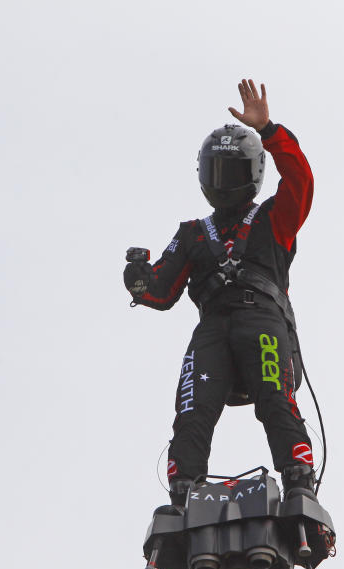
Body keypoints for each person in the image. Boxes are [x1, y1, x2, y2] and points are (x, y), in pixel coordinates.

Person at [124, 79, 316, 507]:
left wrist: (269, 131)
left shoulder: (272, 219)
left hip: (262, 319)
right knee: (192, 413)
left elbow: (300, 180)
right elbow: (159, 290)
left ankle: (299, 480)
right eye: (216, 172)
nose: (222, 181)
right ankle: (184, 492)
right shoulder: (192, 233)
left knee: (276, 399)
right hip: (212, 330)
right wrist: (137, 276)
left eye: (230, 172)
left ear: (252, 174)